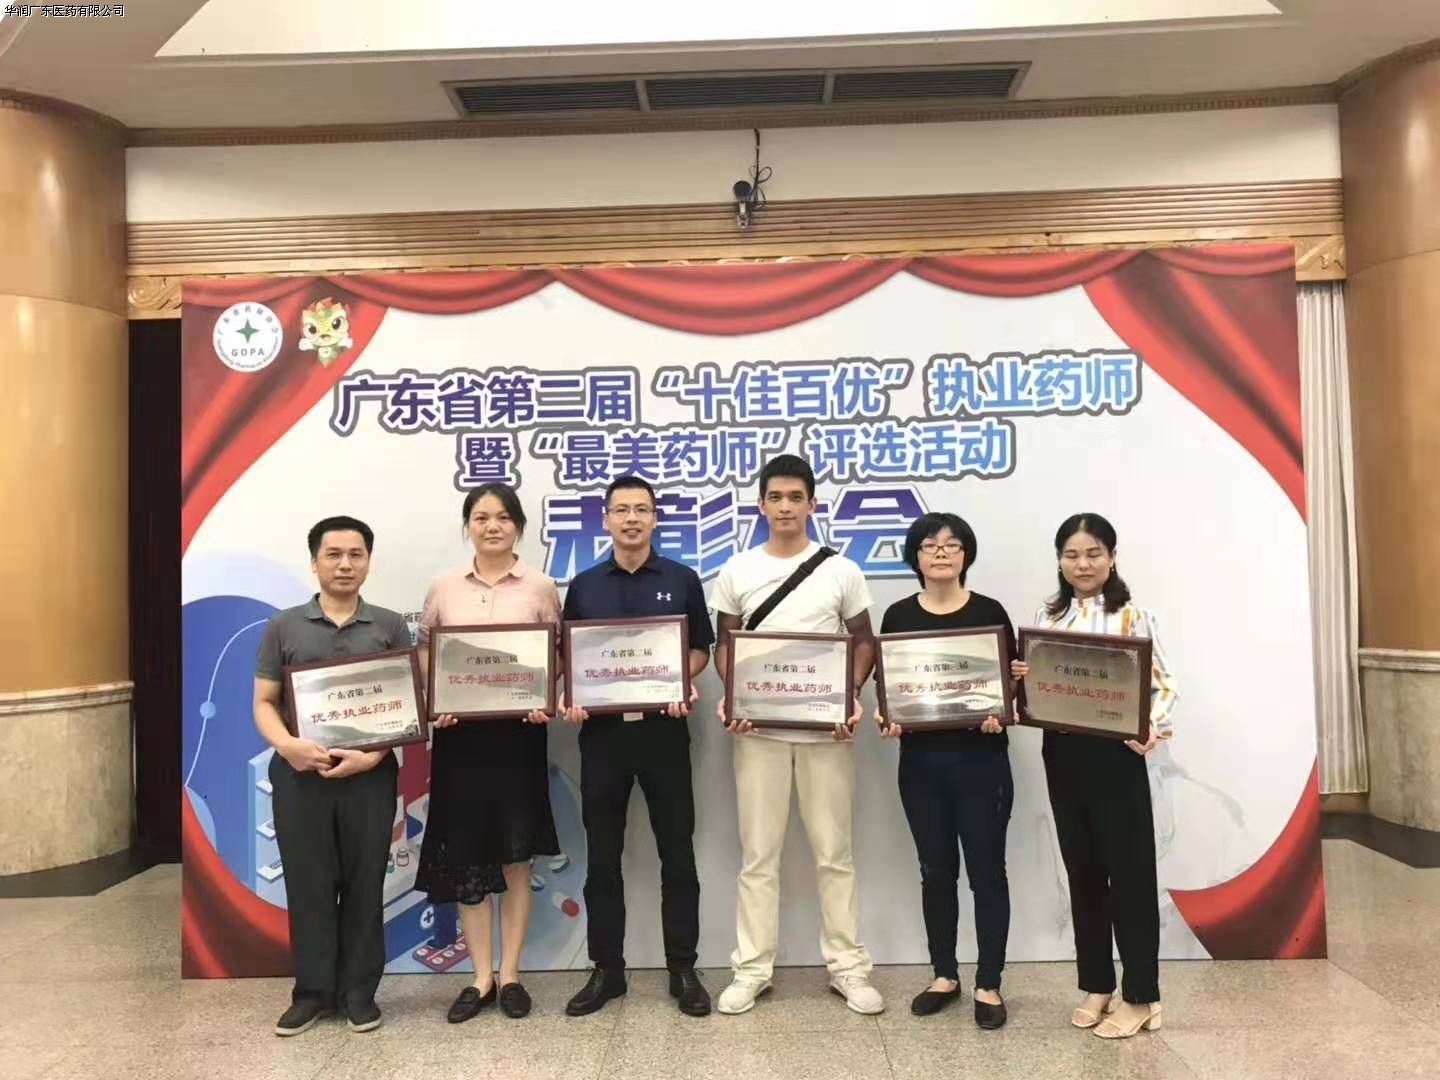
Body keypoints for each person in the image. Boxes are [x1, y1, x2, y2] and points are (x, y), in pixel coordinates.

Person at [711, 454, 883, 1016]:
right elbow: (725, 645)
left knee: (835, 854)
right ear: (761, 505)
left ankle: (848, 968)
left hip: (825, 734)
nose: (785, 507)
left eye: (795, 497)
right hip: (757, 731)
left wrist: (848, 693)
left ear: (812, 504)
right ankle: (751, 969)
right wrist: (735, 694)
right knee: (758, 856)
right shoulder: (737, 570)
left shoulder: (841, 570)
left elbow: (863, 640)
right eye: (775, 497)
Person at [1012, 513, 1178, 1040]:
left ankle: (1142, 995)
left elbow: (1164, 686)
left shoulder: (1134, 616)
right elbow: (1035, 686)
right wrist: (1022, 679)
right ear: (1060, 561)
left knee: (1129, 875)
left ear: (1112, 557)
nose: (1082, 564)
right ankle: (1097, 984)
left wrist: (1151, 727)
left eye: (1093, 554)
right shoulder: (1047, 617)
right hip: (1062, 753)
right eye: (1071, 555)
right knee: (1082, 872)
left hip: (1115, 755)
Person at [560, 476, 716, 1018]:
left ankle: (683, 968)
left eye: (641, 510)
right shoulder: (583, 586)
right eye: (621, 510)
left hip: (663, 733)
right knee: (602, 857)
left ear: (654, 518)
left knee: (678, 852)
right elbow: (571, 657)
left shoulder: (681, 579)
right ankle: (608, 969)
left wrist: (679, 680)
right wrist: (576, 693)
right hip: (602, 738)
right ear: (605, 519)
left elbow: (700, 648)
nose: (631, 518)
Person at [252, 515, 412, 1037]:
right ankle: (312, 994)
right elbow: (264, 702)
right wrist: (288, 746)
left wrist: (374, 755)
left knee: (365, 884)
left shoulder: (389, 625)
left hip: (369, 777)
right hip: (301, 775)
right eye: (334, 554)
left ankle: (360, 994)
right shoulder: (284, 626)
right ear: (315, 561)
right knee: (310, 885)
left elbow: (405, 705)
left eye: (355, 554)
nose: (345, 564)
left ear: (368, 562)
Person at [414, 483, 561, 1023]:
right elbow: (427, 649)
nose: (492, 526)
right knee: (468, 857)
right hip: (460, 739)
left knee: (516, 856)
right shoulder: (444, 587)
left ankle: (512, 973)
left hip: (519, 737)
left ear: (518, 525)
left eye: (502, 517)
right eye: (481, 517)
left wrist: (544, 697)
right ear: (468, 526)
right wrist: (436, 699)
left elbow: (557, 653)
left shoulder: (541, 586)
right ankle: (480, 978)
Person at [876, 512, 1015, 1030]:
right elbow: (892, 688)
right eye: (929, 545)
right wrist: (887, 716)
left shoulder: (990, 612)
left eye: (952, 545)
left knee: (987, 873)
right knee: (935, 872)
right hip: (921, 765)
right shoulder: (897, 616)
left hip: (982, 762)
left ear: (966, 555)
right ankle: (944, 975)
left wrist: (1001, 711)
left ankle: (989, 981)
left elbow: (1010, 687)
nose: (940, 552)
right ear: (915, 556)